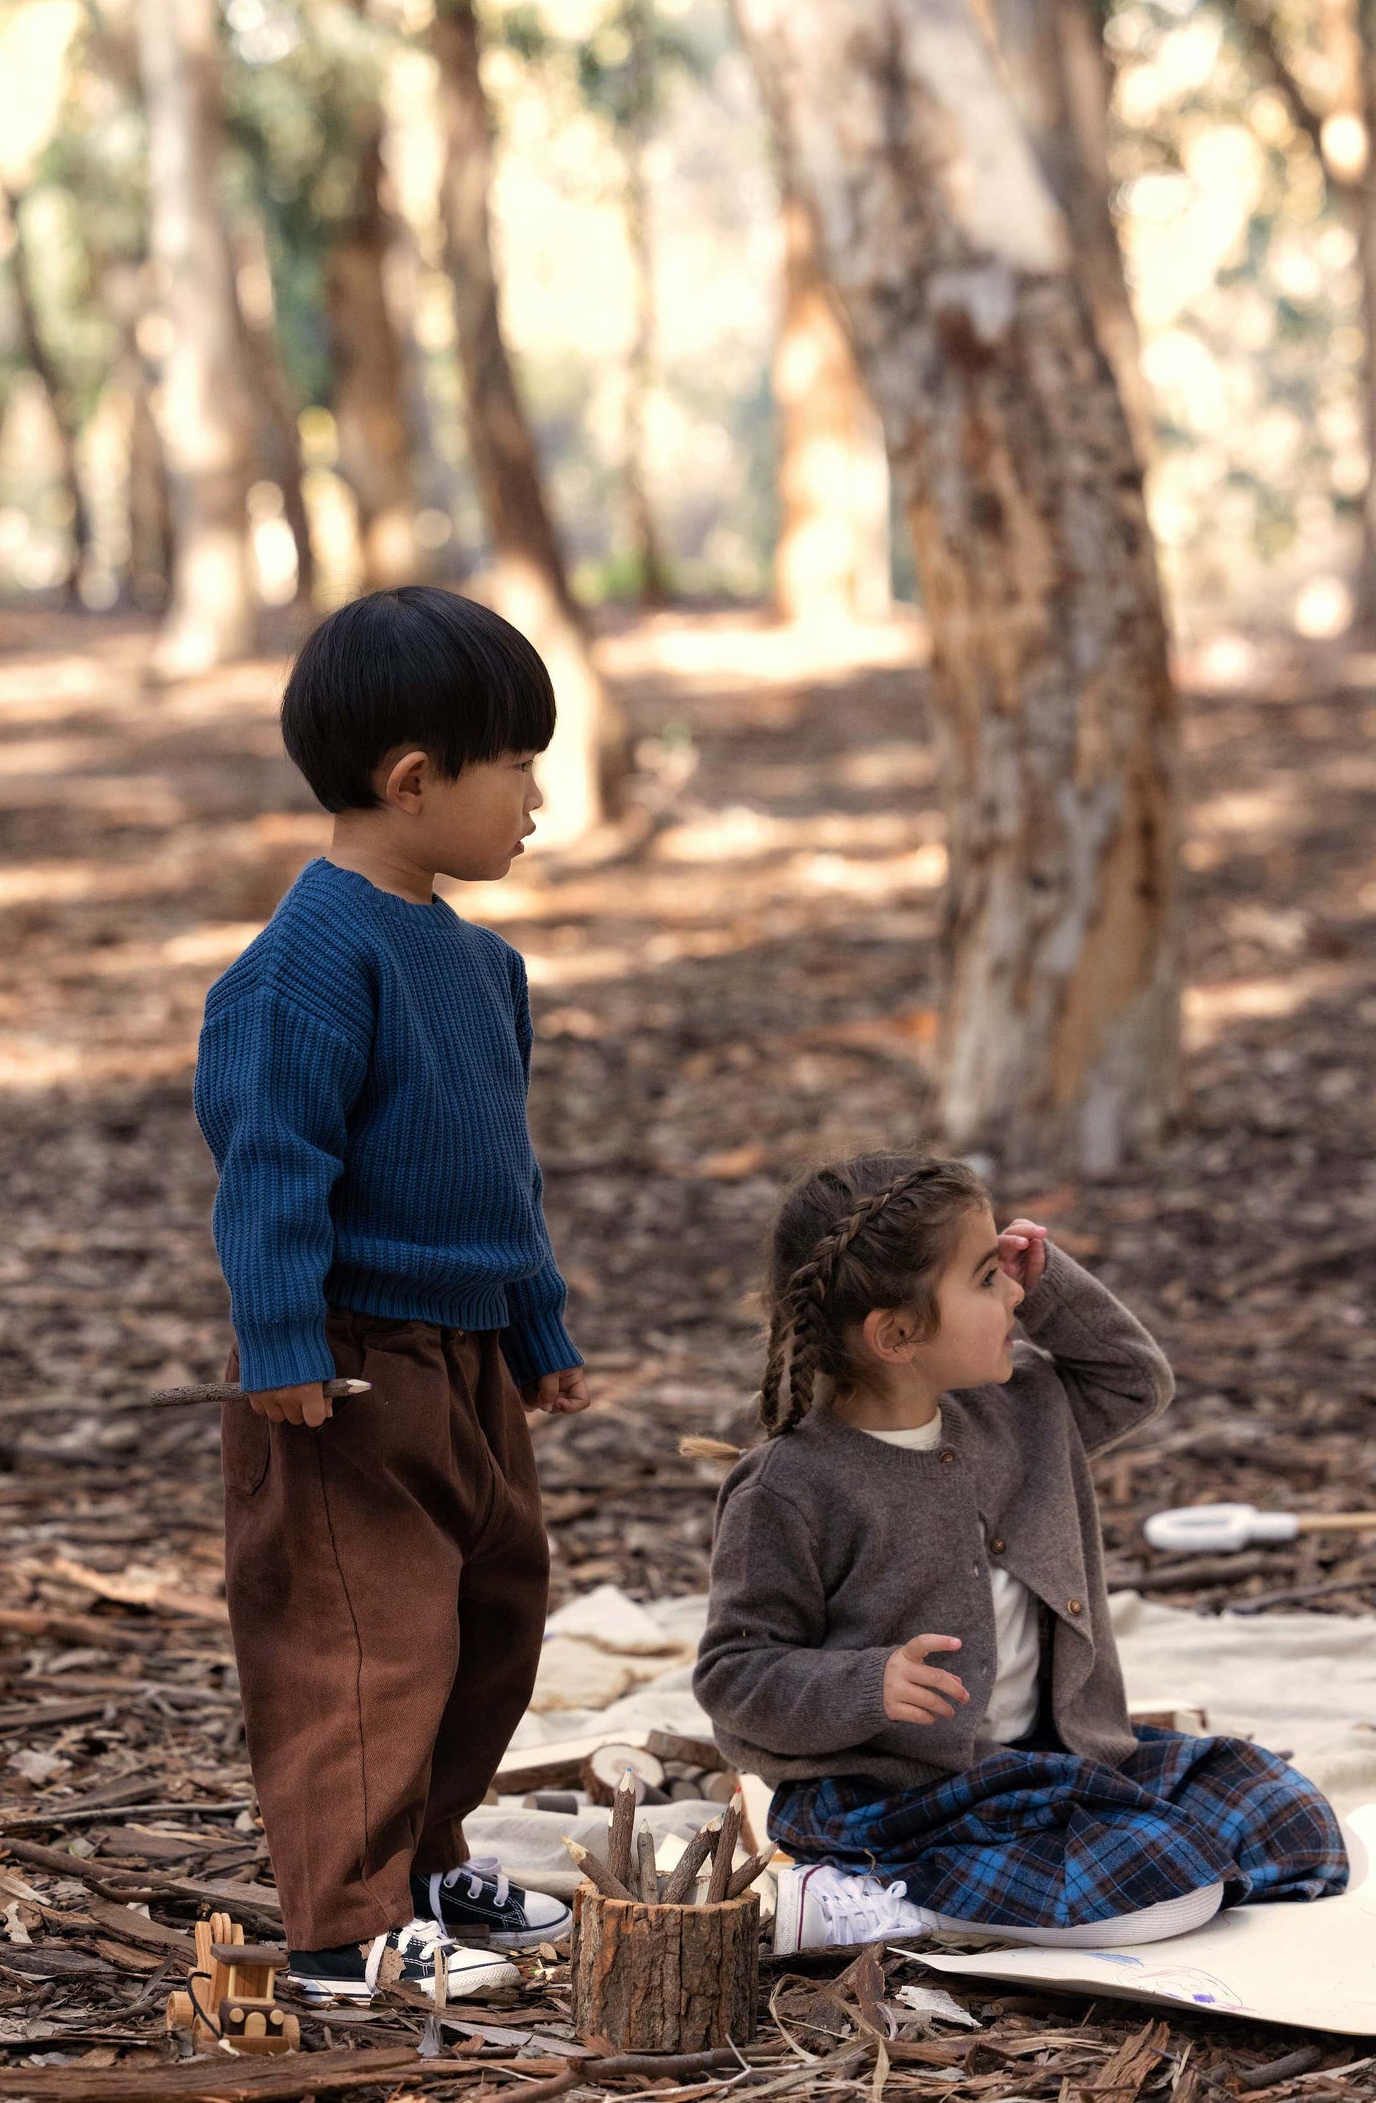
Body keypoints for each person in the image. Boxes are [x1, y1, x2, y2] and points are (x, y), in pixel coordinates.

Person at [194, 587, 589, 2003]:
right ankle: (338, 1931)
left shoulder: (482, 964)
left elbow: (498, 1170)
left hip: (469, 1356)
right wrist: (281, 1339)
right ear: (413, 779)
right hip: (349, 1368)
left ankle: (423, 1862)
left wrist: (536, 1325)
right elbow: (270, 1168)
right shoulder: (307, 966)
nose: (538, 800)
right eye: (520, 768)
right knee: (364, 1641)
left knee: (495, 1611)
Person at [692, 1153, 1347, 1955]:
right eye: (984, 1278)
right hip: (895, 1794)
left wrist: (1050, 1287)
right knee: (1166, 1875)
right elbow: (734, 1673)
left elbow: (1133, 1381)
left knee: (1284, 1813)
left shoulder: (1020, 1406)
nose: (1011, 1291)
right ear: (895, 1334)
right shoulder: (791, 1487)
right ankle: (878, 1899)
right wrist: (867, 1683)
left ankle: (1106, 1859)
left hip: (1061, 1756)